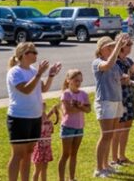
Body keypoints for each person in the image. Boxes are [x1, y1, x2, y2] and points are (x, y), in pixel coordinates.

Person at [7, 43, 62, 181]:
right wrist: (38, 73)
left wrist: (50, 75)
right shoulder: (15, 72)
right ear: (24, 54)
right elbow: (25, 90)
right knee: (18, 154)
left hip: (35, 117)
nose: (36, 54)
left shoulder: (32, 70)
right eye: (34, 52)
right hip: (19, 117)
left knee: (28, 153)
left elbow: (43, 89)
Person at [92, 35, 127, 178]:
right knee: (105, 135)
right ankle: (99, 168)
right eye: (110, 47)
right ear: (101, 50)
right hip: (105, 101)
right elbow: (106, 66)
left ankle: (106, 165)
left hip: (116, 100)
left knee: (111, 135)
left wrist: (127, 77)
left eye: (113, 46)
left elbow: (121, 78)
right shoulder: (97, 62)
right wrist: (119, 45)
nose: (113, 49)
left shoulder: (115, 64)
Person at [111, 36, 134, 168]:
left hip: (129, 96)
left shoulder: (128, 60)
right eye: (128, 44)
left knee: (127, 126)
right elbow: (119, 77)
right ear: (120, 45)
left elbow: (132, 73)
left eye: (131, 44)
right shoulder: (115, 61)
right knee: (118, 128)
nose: (130, 47)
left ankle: (122, 155)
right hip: (120, 96)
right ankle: (114, 158)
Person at [58, 69, 90, 181]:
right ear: (68, 81)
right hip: (68, 127)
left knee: (74, 154)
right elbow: (68, 110)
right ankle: (61, 179)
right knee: (65, 154)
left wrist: (79, 106)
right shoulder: (66, 94)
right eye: (76, 80)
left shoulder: (84, 94)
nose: (78, 83)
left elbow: (88, 109)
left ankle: (72, 178)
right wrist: (80, 106)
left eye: (80, 81)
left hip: (79, 127)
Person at [32, 102, 59, 181]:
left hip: (47, 147)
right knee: (37, 169)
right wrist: (51, 112)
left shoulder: (46, 119)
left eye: (44, 105)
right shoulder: (36, 119)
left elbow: (50, 128)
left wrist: (52, 112)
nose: (43, 106)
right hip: (39, 147)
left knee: (44, 169)